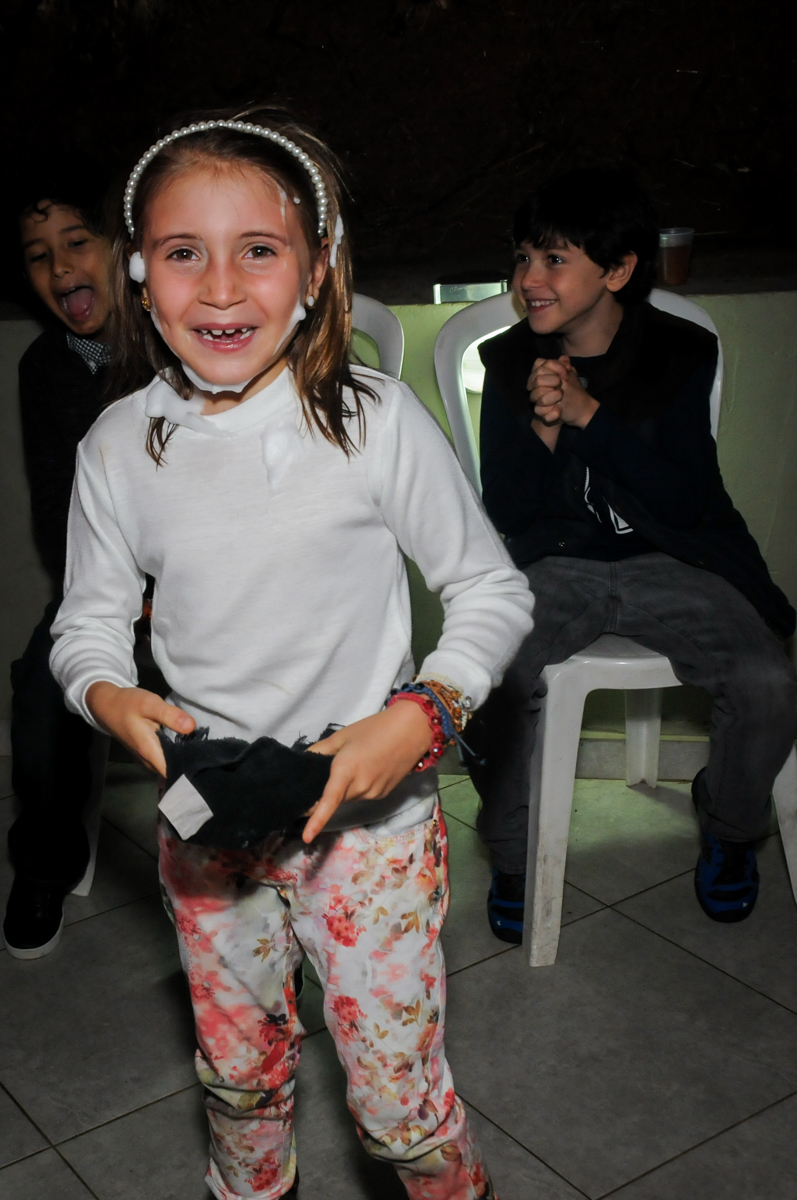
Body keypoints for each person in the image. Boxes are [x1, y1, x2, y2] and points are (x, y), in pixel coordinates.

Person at [49, 108, 533, 1200]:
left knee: (398, 1109)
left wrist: (423, 712)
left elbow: (490, 590)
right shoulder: (117, 448)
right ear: (140, 275)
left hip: (369, 831)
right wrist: (108, 695)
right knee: (236, 1079)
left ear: (315, 272)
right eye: (184, 252)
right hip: (204, 816)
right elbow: (86, 624)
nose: (221, 288)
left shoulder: (374, 422)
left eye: (258, 250)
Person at [471, 167, 797, 944]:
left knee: (765, 682)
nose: (529, 278)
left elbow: (683, 500)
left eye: (554, 260)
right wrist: (542, 427)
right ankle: (512, 854)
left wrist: (588, 416)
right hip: (556, 566)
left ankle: (728, 827)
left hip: (677, 558)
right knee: (492, 673)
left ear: (615, 271)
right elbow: (510, 511)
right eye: (522, 258)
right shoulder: (507, 360)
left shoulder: (679, 351)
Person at [3, 163, 114, 959]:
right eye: (40, 256)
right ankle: (45, 862)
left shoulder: (181, 337)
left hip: (207, 587)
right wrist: (104, 595)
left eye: (78, 242)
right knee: (40, 701)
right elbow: (53, 507)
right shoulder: (42, 369)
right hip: (96, 587)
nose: (62, 266)